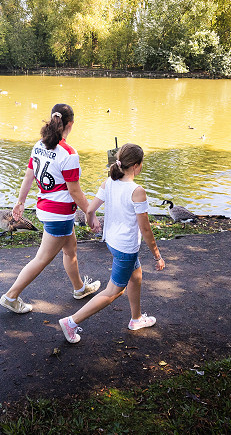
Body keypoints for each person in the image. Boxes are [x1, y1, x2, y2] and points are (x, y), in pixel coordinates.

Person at [58, 143, 165, 344]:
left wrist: (92, 222)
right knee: (113, 291)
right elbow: (145, 229)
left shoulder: (109, 182)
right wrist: (157, 255)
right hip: (125, 247)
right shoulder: (137, 191)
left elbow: (90, 210)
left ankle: (136, 319)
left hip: (113, 242)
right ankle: (71, 322)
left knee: (136, 275)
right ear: (136, 166)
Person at [0, 103, 101, 314]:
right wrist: (91, 214)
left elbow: (29, 176)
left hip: (47, 208)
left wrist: (20, 202)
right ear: (70, 124)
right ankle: (11, 296)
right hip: (59, 214)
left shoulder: (39, 145)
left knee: (70, 249)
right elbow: (75, 192)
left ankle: (79, 288)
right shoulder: (69, 154)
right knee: (42, 258)